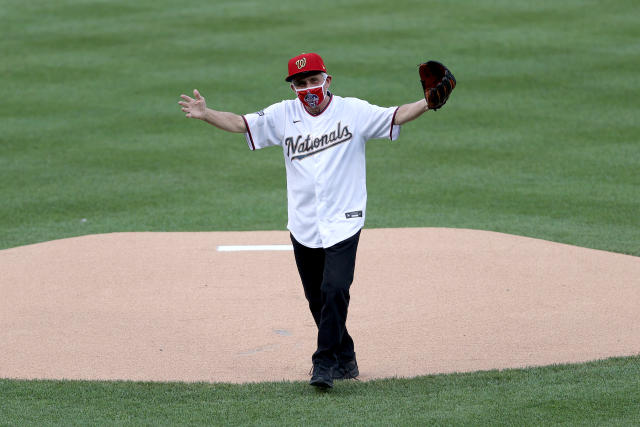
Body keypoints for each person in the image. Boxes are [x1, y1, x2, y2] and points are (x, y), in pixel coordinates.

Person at [179, 53, 432, 389]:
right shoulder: (283, 115)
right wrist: (206, 113)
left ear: (328, 81)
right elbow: (242, 123)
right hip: (303, 224)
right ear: (292, 87)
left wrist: (427, 103)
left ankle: (323, 364)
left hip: (344, 220)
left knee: (335, 289)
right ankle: (346, 357)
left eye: (314, 80)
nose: (308, 88)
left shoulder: (352, 111)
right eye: (300, 83)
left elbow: (395, 115)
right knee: (317, 299)